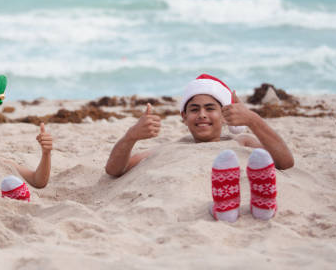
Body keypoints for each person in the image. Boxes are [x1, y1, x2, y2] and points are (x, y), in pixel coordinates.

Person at [105, 74, 294, 222]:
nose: (202, 115)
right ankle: (228, 208)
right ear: (184, 117)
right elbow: (115, 169)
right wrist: (131, 136)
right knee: (221, 204)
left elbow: (285, 161)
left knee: (261, 159)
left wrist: (252, 119)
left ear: (224, 115)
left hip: (245, 199)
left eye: (210, 108)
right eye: (194, 110)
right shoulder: (168, 149)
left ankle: (262, 205)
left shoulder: (242, 141)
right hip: (196, 207)